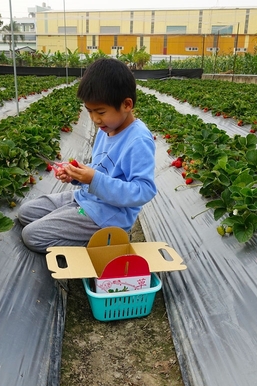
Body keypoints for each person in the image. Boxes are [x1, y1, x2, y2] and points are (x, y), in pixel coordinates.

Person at [17, 58, 157, 253]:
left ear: (126, 104)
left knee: (32, 236)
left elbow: (144, 190)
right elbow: (99, 169)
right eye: (89, 111)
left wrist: (93, 179)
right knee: (26, 213)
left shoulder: (138, 140)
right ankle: (70, 222)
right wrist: (77, 176)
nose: (94, 119)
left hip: (108, 215)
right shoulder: (105, 129)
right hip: (86, 197)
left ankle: (104, 245)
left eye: (100, 111)